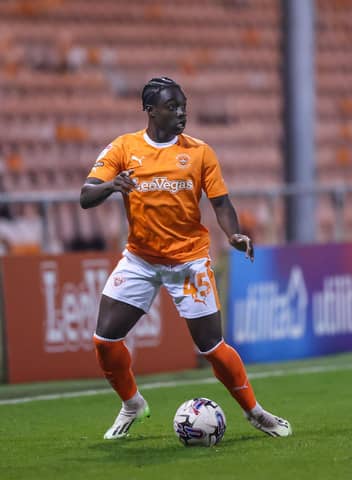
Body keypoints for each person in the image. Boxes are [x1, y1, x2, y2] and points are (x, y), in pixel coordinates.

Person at [80, 77, 292, 440]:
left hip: (188, 262)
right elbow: (86, 196)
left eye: (184, 107)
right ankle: (132, 403)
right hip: (140, 260)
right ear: (150, 110)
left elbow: (221, 203)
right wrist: (112, 185)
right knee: (104, 340)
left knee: (211, 346)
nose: (181, 114)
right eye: (172, 107)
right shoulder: (123, 148)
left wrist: (233, 234)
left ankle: (254, 412)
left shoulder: (200, 152)